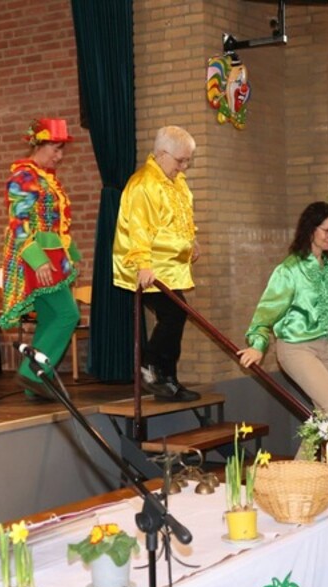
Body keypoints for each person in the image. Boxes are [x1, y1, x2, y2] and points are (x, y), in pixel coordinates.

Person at [236, 202, 328, 411]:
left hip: (325, 347)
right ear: (311, 229)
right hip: (297, 348)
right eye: (327, 230)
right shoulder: (290, 270)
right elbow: (265, 314)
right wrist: (257, 345)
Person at [112, 126, 200, 402]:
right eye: (180, 160)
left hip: (169, 266)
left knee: (175, 315)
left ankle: (167, 378)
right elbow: (139, 228)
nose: (183, 167)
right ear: (162, 154)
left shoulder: (175, 181)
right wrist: (143, 265)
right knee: (174, 314)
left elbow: (180, 216)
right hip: (150, 266)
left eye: (187, 161)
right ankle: (150, 367)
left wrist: (191, 242)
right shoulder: (144, 184)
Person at [0, 118, 80, 400]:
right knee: (68, 314)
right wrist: (38, 260)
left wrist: (70, 256)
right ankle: (32, 373)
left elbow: (57, 225)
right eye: (55, 149)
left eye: (61, 150)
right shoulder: (24, 176)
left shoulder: (45, 177)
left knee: (49, 318)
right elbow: (18, 224)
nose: (59, 156)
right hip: (36, 257)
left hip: (53, 256)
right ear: (39, 145)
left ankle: (35, 387)